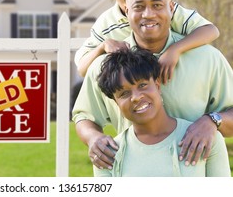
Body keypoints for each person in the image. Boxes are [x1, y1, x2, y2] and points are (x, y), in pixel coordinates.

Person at [72, 0, 233, 172]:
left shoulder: (208, 58)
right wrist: (93, 138)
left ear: (171, 8)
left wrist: (212, 121)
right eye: (139, 7)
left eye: (157, 5)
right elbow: (83, 116)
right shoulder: (106, 67)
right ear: (126, 10)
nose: (148, 14)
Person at [75, 0, 219, 84]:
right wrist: (103, 46)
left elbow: (211, 31)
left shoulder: (163, 9)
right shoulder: (105, 23)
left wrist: (175, 50)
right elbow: (82, 69)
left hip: (176, 78)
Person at [94, 48, 230, 176]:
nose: (136, 97)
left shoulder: (206, 139)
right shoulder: (107, 154)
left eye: (142, 85)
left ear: (158, 86)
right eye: (124, 93)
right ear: (116, 103)